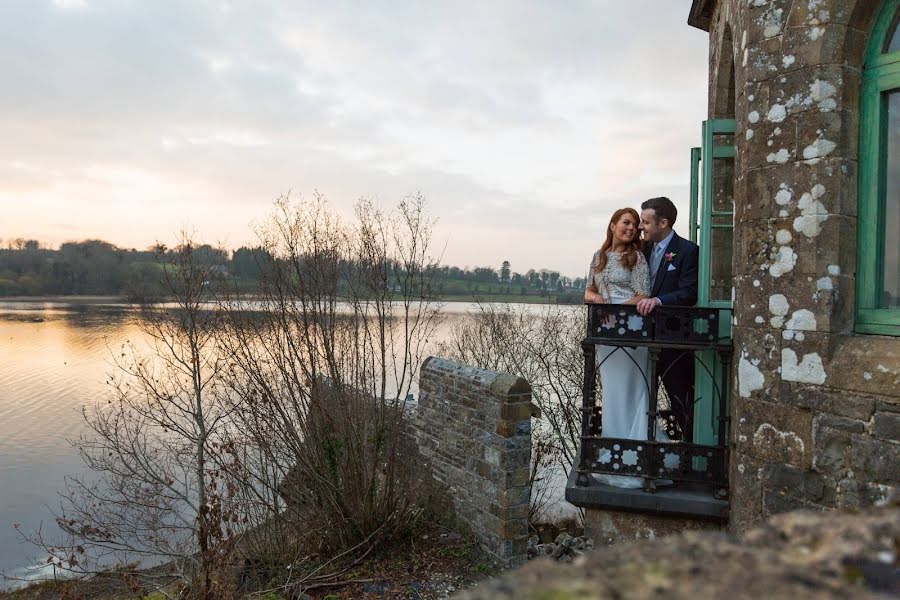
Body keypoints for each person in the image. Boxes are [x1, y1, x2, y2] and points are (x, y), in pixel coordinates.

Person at [584, 207, 665, 489]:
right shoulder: (599, 257)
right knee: (613, 393)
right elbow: (588, 291)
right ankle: (613, 452)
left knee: (632, 390)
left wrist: (613, 307)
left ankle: (638, 456)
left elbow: (643, 295)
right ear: (613, 224)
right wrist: (598, 301)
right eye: (626, 223)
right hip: (606, 335)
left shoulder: (637, 258)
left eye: (634, 224)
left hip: (630, 332)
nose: (631, 228)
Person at [635, 197, 700, 443]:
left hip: (673, 341)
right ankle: (642, 447)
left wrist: (659, 301)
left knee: (680, 398)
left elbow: (689, 292)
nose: (641, 227)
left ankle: (691, 453)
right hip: (641, 338)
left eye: (645, 222)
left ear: (663, 222)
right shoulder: (642, 249)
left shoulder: (688, 251)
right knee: (640, 397)